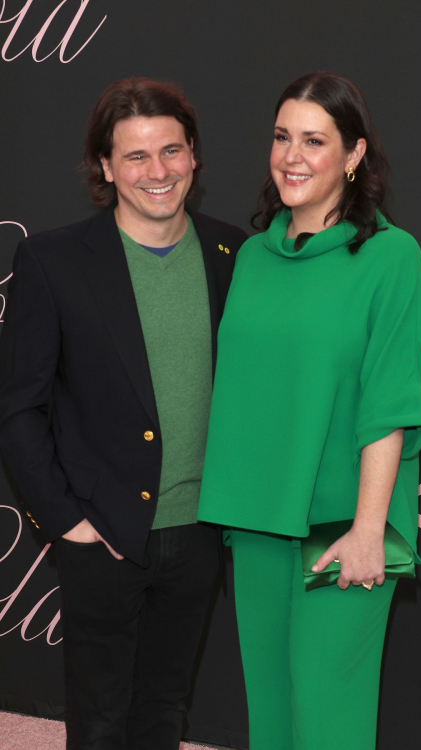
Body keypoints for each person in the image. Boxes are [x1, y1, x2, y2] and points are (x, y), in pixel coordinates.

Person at [0, 77, 247, 750]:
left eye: (171, 150)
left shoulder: (237, 254)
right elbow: (18, 407)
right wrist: (68, 523)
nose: (157, 171)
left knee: (164, 711)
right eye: (135, 156)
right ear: (105, 167)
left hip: (199, 533)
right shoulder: (52, 262)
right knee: (101, 721)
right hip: (101, 533)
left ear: (193, 155)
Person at [197, 71, 421, 749]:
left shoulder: (393, 259)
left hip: (343, 527)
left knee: (328, 720)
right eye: (281, 137)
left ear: (354, 154)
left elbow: (390, 404)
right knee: (270, 720)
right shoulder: (252, 258)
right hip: (257, 521)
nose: (291, 156)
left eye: (314, 140)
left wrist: (369, 530)